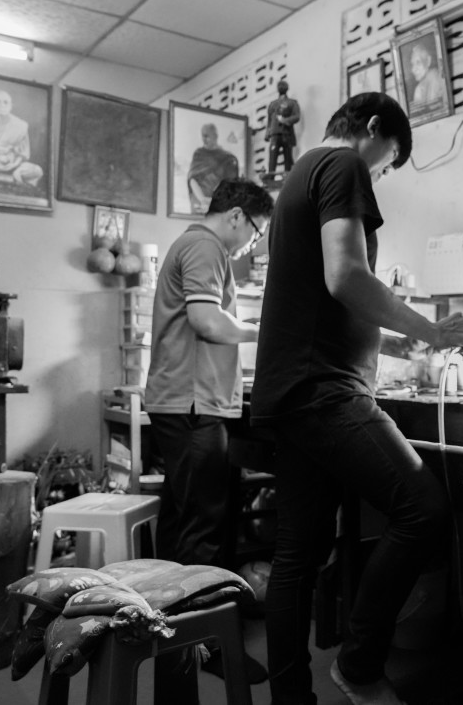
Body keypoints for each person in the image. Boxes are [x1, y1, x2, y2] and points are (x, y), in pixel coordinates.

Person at [250, 92, 463, 705]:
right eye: (387, 162)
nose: (379, 175)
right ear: (374, 129)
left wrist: (400, 346)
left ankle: (291, 696)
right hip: (323, 389)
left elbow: (323, 299)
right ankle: (359, 664)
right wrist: (431, 330)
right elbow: (345, 275)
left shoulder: (299, 176)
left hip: (293, 388)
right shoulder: (342, 165)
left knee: (297, 555)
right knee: (423, 508)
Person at [144, 177, 273, 701]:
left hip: (184, 400)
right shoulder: (206, 245)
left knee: (181, 520)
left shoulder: (193, 245)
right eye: (257, 231)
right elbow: (206, 320)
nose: (252, 244)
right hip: (193, 404)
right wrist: (265, 330)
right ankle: (204, 648)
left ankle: (171, 639)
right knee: (206, 527)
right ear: (239, 215)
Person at [187, 122, 239, 214]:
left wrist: (214, 202)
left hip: (219, 206)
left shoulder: (228, 158)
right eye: (203, 136)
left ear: (215, 136)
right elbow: (192, 179)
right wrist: (202, 199)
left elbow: (230, 186)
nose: (204, 139)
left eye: (207, 136)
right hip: (200, 201)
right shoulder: (199, 154)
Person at [264, 80, 300, 177]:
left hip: (287, 133)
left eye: (283, 86)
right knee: (272, 159)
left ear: (286, 89)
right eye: (280, 86)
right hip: (275, 134)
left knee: (288, 158)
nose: (281, 88)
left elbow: (297, 116)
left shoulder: (292, 103)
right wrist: (267, 132)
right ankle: (270, 178)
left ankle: (288, 178)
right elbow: (269, 120)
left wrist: (285, 120)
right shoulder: (273, 104)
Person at [408, 41, 444, 110]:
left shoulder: (436, 77)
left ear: (428, 61)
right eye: (412, 64)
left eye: (418, 62)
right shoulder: (418, 88)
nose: (413, 70)